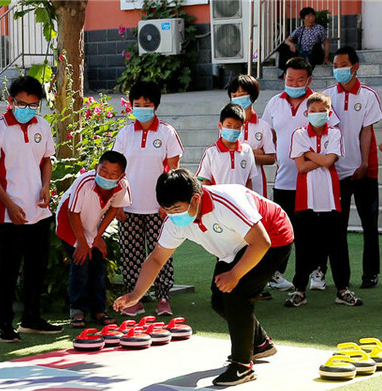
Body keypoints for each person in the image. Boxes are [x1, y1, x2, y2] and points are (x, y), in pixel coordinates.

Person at [113, 169, 294, 387]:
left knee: (237, 295)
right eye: (167, 209)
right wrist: (136, 294)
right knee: (219, 300)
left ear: (195, 199)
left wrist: (235, 274)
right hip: (235, 245)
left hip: (272, 237)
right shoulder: (175, 221)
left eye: (176, 208)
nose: (172, 214)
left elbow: (261, 241)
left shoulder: (226, 203)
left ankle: (242, 366)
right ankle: (260, 344)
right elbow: (156, 260)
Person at [0, 75, 62, 341]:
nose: (27, 109)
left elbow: (46, 160)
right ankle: (3, 323)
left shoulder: (43, 125)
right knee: (7, 270)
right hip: (10, 213)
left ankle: (31, 318)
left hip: (39, 210)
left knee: (36, 268)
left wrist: (45, 186)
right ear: (11, 101)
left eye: (33, 104)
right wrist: (8, 203)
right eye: (22, 103)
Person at [261, 57, 338, 292]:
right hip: (284, 180)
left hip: (315, 182)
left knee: (315, 232)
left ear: (309, 80)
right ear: (284, 77)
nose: (294, 83)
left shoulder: (319, 105)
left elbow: (331, 135)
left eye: (300, 80)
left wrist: (310, 160)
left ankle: (317, 272)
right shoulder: (274, 103)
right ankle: (277, 274)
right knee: (282, 229)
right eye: (289, 79)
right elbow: (268, 135)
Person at [112, 81, 184, 317]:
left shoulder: (166, 132)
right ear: (131, 106)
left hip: (158, 208)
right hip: (129, 206)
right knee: (130, 255)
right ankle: (134, 299)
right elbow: (116, 172)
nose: (142, 108)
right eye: (137, 104)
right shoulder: (124, 134)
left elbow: (173, 170)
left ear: (156, 106)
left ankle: (163, 297)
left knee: (161, 253)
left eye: (147, 104)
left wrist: (167, 204)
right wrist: (118, 204)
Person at [286, 93, 362, 308]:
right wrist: (321, 157)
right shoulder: (299, 134)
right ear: (306, 113)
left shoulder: (335, 133)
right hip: (305, 199)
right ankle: (299, 290)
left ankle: (343, 290)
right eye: (313, 111)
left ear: (329, 113)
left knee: (337, 245)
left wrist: (309, 153)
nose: (318, 114)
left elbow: (330, 162)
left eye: (322, 111)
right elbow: (301, 167)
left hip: (331, 198)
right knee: (304, 245)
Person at [323, 46, 382, 289]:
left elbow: (367, 131)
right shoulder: (327, 95)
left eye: (343, 65)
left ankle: (371, 273)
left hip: (364, 171)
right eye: (335, 66)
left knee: (369, 225)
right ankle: (341, 279)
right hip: (337, 172)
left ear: (355, 66)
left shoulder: (368, 95)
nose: (339, 70)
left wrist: (364, 163)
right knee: (338, 226)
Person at [56, 151, 131, 328]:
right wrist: (82, 244)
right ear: (96, 168)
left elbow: (114, 208)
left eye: (113, 174)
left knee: (99, 262)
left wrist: (97, 237)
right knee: (81, 262)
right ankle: (77, 310)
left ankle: (98, 309)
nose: (107, 176)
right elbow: (72, 213)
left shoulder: (122, 185)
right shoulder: (84, 183)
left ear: (121, 175)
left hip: (91, 227)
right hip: (69, 225)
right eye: (103, 171)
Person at [227, 75, 276, 197]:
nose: (238, 99)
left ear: (252, 95)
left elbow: (270, 158)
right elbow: (227, 152)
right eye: (234, 96)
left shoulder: (263, 126)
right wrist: (256, 152)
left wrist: (246, 154)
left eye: (242, 94)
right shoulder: (228, 126)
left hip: (257, 183)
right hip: (233, 182)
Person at [197, 103, 255, 188]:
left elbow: (249, 180)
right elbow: (206, 182)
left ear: (243, 127)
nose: (232, 129)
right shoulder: (212, 152)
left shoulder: (247, 151)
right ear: (220, 125)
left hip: (240, 199)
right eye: (228, 126)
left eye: (237, 126)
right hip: (219, 200)